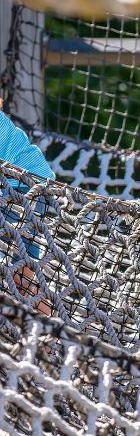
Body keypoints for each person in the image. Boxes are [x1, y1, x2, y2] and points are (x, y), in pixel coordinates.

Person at [0, 106, 55, 315]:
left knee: (22, 278)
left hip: (23, 187)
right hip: (23, 185)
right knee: (21, 276)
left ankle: (53, 332)